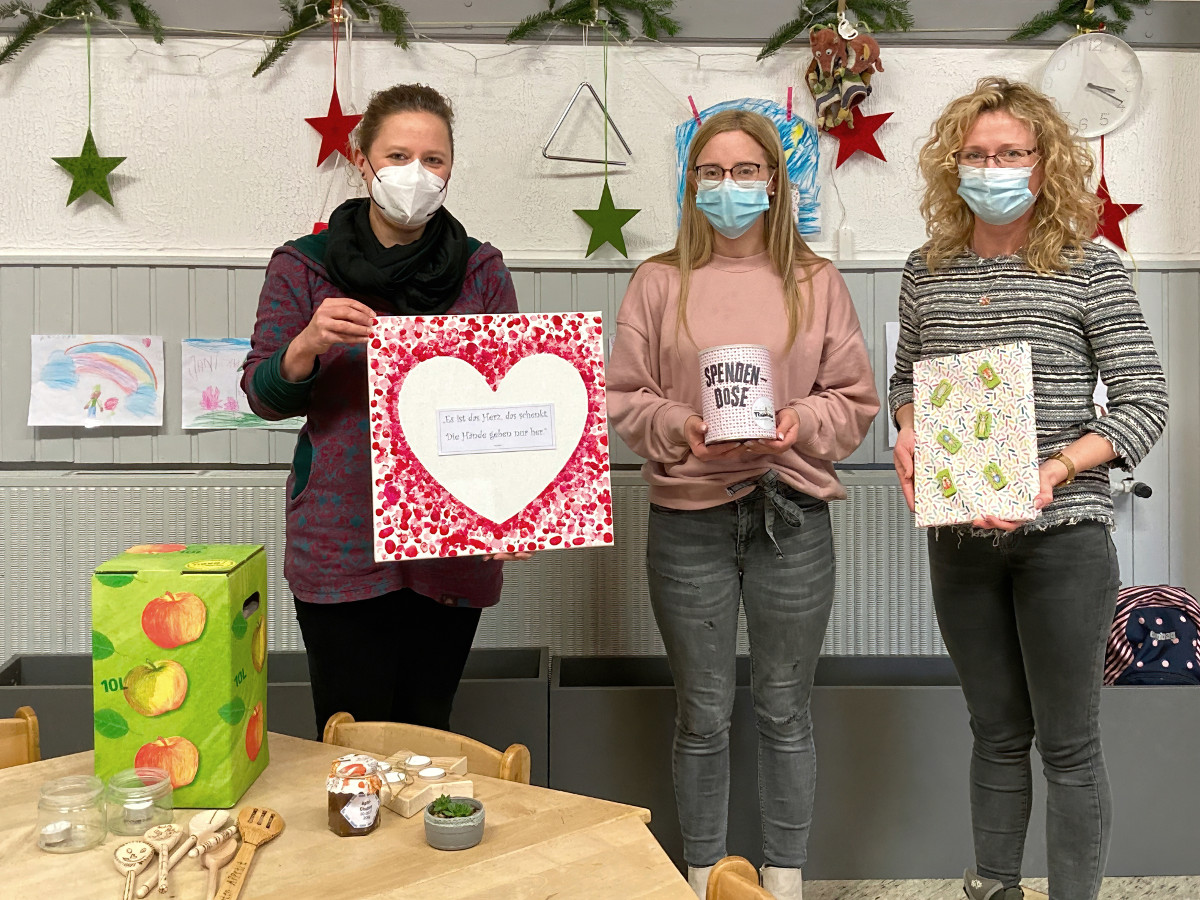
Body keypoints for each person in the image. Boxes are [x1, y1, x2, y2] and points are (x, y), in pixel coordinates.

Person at [889, 77, 1168, 900]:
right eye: (976, 155)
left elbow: (1146, 402)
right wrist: (907, 430)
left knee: (1070, 745)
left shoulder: (1090, 267)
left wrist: (1055, 468)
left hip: (1064, 541)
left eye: (1011, 152)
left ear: (1045, 165)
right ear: (953, 165)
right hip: (962, 540)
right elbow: (907, 378)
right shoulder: (925, 269)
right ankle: (997, 889)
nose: (992, 167)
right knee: (995, 732)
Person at [608, 109, 879, 900]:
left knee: (786, 711)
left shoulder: (816, 280)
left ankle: (784, 879)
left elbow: (855, 399)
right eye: (711, 173)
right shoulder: (659, 281)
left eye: (746, 172)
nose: (729, 188)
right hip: (686, 520)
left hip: (792, 513)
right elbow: (627, 397)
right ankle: (704, 876)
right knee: (702, 714)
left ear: (776, 183)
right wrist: (683, 426)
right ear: (690, 185)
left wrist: (801, 424)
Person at [243, 83, 527, 738]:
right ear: (362, 160)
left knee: (429, 730)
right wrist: (307, 345)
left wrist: (519, 508)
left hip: (451, 544)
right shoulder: (302, 268)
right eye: (398, 156)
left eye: (434, 160)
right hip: (341, 540)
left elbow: (509, 406)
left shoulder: (481, 270)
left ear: (451, 168)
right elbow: (262, 394)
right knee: (350, 741)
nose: (416, 174)